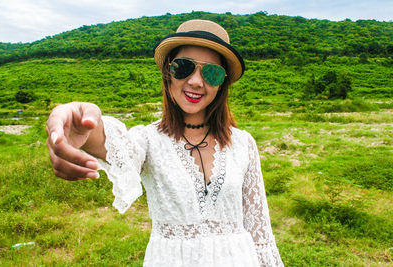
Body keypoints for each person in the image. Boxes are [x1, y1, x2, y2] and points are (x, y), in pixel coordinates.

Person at [46, 19, 284, 267]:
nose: (195, 81)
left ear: (221, 83)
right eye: (184, 68)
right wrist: (79, 124)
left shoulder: (243, 144)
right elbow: (115, 145)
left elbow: (260, 233)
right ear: (168, 72)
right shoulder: (149, 140)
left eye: (211, 72)